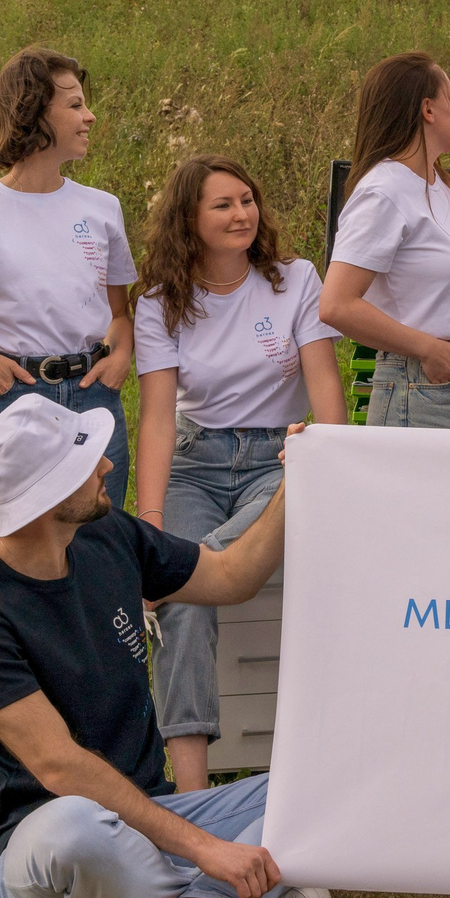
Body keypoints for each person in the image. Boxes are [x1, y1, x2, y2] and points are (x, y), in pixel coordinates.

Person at [0, 395, 334, 898]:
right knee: (74, 826)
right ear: (46, 494)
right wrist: (207, 848)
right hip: (49, 842)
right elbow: (59, 767)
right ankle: (250, 893)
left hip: (150, 816)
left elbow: (230, 576)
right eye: (87, 461)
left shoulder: (107, 536)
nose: (107, 467)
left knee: (314, 787)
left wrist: (293, 481)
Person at [132, 154, 346, 792]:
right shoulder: (160, 302)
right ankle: (193, 794)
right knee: (186, 607)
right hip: (194, 464)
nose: (241, 214)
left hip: (279, 458)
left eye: (247, 200)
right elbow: (157, 420)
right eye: (222, 205)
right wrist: (150, 526)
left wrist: (326, 453)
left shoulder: (295, 280)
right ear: (188, 220)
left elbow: (325, 384)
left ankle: (178, 577)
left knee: (188, 576)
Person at [0, 48, 138, 550]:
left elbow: (120, 313)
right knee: (12, 564)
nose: (89, 115)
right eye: (74, 105)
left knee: (98, 558)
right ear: (32, 111)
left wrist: (121, 355)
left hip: (94, 403)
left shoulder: (102, 209)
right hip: (5, 403)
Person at [320, 52, 450, 427]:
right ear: (428, 110)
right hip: (421, 387)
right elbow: (337, 305)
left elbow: (431, 294)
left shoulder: (437, 184)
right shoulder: (384, 192)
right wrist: (428, 349)